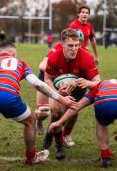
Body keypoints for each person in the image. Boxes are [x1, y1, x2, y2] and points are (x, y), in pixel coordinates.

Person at [43, 28, 100, 160]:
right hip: (59, 89)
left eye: (77, 45)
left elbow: (98, 82)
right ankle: (59, 144)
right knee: (56, 111)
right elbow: (47, 78)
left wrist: (87, 82)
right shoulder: (54, 57)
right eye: (70, 46)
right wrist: (56, 92)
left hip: (79, 89)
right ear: (62, 44)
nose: (74, 49)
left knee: (72, 112)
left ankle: (51, 132)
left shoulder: (86, 57)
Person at [35, 29, 85, 137]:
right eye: (71, 44)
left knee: (72, 110)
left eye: (79, 43)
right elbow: (42, 66)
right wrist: (59, 73)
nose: (75, 47)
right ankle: (38, 120)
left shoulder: (80, 51)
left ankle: (65, 135)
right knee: (43, 112)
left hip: (66, 82)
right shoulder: (57, 50)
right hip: (47, 79)